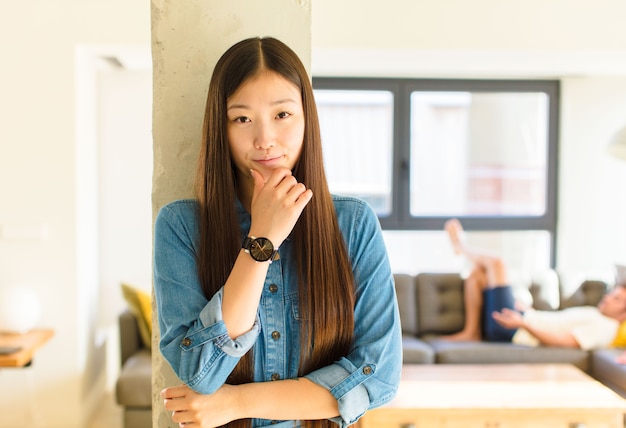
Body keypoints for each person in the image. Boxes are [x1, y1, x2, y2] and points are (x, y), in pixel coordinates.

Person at [153, 37, 402, 428]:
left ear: (306, 118)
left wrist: (236, 403)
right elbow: (199, 372)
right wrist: (261, 241)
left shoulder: (353, 224)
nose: (265, 139)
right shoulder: (181, 226)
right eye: (242, 118)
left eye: (282, 115)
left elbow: (377, 377)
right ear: (222, 128)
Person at [441, 219, 626, 349]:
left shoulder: (606, 327)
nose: (607, 298)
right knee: (477, 275)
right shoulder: (596, 314)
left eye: (616, 299)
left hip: (512, 330)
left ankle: (460, 248)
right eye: (612, 294)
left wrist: (522, 323)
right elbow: (555, 324)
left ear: (623, 314)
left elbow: (564, 341)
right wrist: (529, 313)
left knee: (497, 263)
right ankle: (471, 332)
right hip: (519, 321)